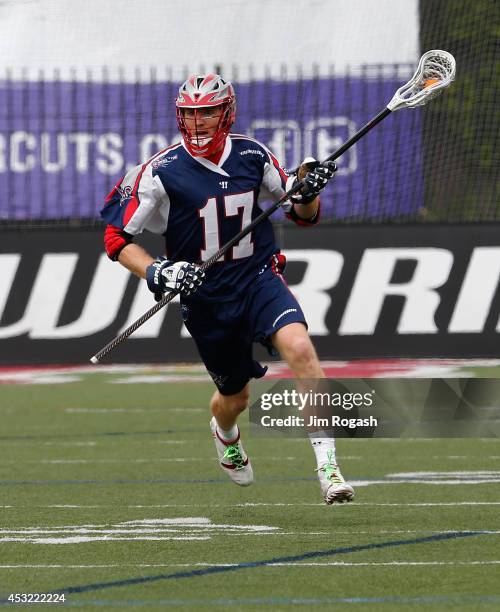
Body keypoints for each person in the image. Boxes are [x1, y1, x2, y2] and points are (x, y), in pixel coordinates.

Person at [101, 73, 354, 504]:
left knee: (301, 349)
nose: (198, 122)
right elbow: (115, 238)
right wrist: (160, 272)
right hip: (207, 298)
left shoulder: (253, 155)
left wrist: (309, 189)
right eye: (190, 114)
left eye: (207, 112)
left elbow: (303, 213)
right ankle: (225, 434)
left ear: (226, 112)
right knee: (234, 397)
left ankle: (329, 468)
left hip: (257, 278)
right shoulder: (159, 171)